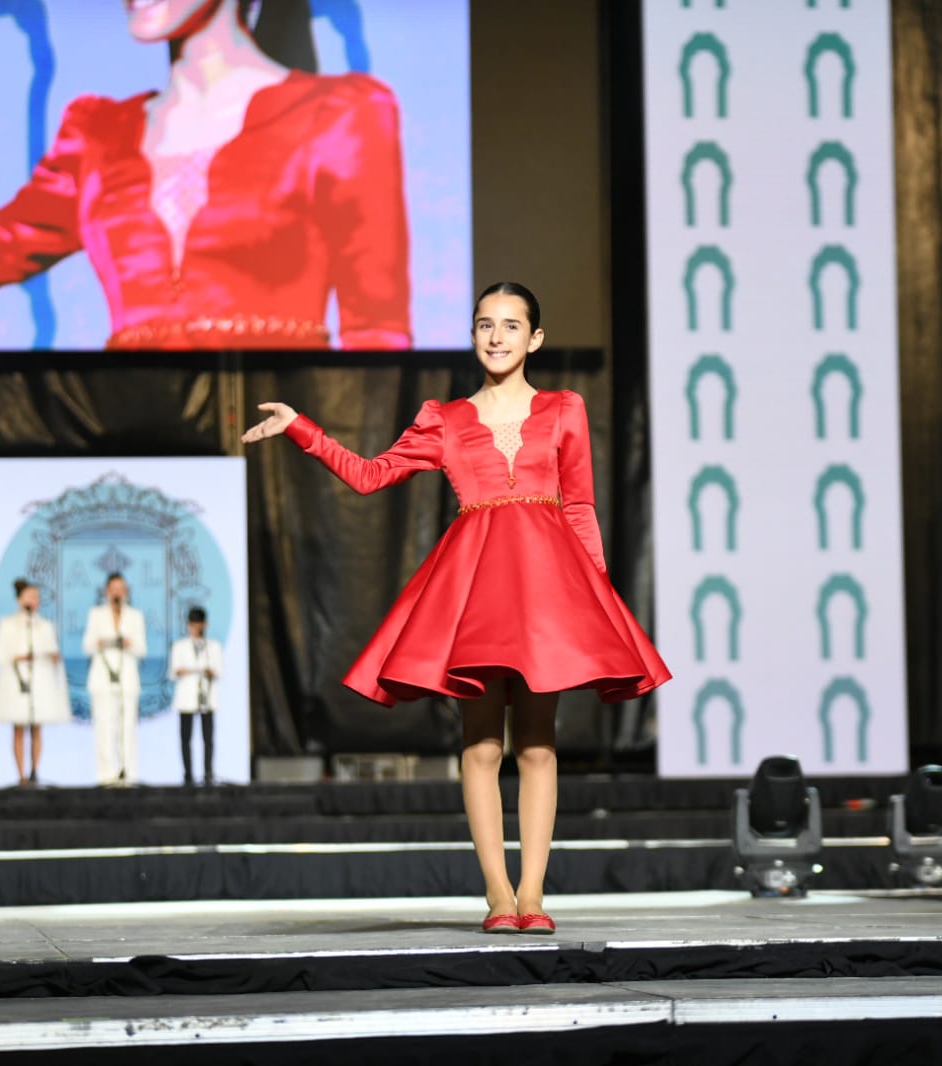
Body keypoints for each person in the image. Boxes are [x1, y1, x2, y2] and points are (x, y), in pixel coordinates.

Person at [242, 282, 672, 935]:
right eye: (483, 325)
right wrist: (301, 428)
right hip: (477, 588)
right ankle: (498, 894)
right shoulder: (444, 418)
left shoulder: (563, 409)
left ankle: (533, 894)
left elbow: (579, 505)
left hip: (547, 589)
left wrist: (596, 595)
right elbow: (369, 475)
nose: (495, 336)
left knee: (537, 745)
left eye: (509, 325)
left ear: (535, 339)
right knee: (480, 745)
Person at [0, 0, 410, 350]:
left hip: (288, 442)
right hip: (137, 439)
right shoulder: (98, 135)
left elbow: (377, 334)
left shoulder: (342, 113)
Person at [0, 578, 71, 787]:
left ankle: (35, 771)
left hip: (39, 679)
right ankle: (20, 774)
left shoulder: (44, 626)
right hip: (17, 680)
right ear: (20, 599)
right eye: (30, 596)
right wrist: (22, 657)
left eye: (36, 597)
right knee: (19, 728)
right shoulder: (8, 624)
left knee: (37, 727)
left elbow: (51, 651)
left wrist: (52, 657)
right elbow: (1, 655)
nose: (34, 600)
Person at [82, 573, 148, 786]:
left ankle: (129, 772)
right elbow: (87, 646)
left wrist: (129, 643)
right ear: (106, 591)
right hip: (102, 677)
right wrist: (102, 642)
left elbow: (142, 649)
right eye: (113, 588)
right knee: (104, 726)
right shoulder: (96, 614)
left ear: (126, 591)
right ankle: (106, 773)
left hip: (127, 677)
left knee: (128, 726)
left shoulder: (135, 616)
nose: (117, 592)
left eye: (121, 588)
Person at [169, 606, 226, 787]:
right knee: (186, 738)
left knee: (208, 738)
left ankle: (208, 772)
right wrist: (188, 671)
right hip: (186, 697)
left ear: (205, 624)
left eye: (199, 624)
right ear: (188, 625)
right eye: (193, 624)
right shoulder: (179, 646)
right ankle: (188, 774)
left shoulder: (213, 646)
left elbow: (220, 671)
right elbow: (173, 671)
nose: (196, 628)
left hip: (206, 697)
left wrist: (209, 672)